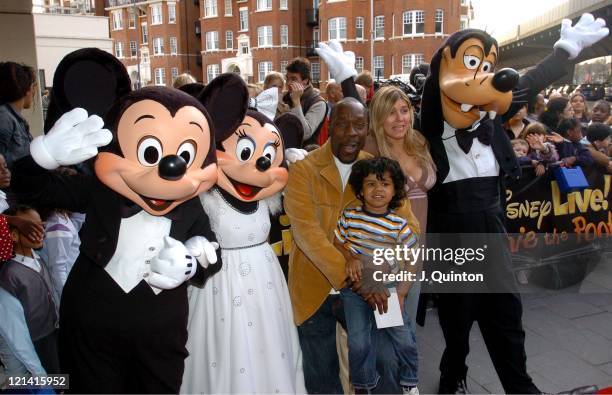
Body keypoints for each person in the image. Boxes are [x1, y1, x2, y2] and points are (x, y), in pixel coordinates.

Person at [284, 97, 419, 394]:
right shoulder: (304, 170)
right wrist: (361, 281)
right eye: (342, 124)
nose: (351, 133)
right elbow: (308, 235)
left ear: (367, 129)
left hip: (377, 288)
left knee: (385, 364)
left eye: (359, 125)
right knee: (321, 375)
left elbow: (410, 227)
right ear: (330, 127)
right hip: (314, 290)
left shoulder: (377, 170)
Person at [334, 157, 419, 395]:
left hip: (388, 290)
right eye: (371, 184)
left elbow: (412, 257)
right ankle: (363, 384)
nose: (378, 189)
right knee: (358, 343)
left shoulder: (398, 225)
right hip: (354, 292)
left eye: (385, 184)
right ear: (360, 189)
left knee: (402, 338)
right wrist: (350, 256)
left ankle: (410, 379)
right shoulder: (349, 217)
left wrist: (402, 292)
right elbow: (336, 241)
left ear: (395, 191)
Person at [363, 86, 436, 326]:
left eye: (404, 110)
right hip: (385, 256)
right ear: (378, 117)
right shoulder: (370, 149)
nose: (400, 118)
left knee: (408, 329)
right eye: (391, 112)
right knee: (391, 328)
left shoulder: (419, 142)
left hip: (417, 251)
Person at [0, 205, 60, 374]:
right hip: (34, 342)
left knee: (60, 377)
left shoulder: (39, 259)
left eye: (41, 225)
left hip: (52, 333)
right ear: (13, 235)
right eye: (31, 227)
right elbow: (14, 329)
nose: (40, 231)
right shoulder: (10, 275)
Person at [0, 287, 47, 382]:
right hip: (17, 371)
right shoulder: (3, 300)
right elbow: (19, 343)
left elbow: (19, 343)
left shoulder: (3, 299)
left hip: (16, 370)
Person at [0, 62, 36, 169]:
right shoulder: (4, 117)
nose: (34, 92)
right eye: (33, 86)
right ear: (26, 89)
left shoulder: (13, 118)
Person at [283, 57, 327, 145]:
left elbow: (305, 133)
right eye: (287, 78)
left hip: (306, 154)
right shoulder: (285, 97)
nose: (288, 83)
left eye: (294, 79)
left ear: (305, 80)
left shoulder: (318, 103)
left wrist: (296, 102)